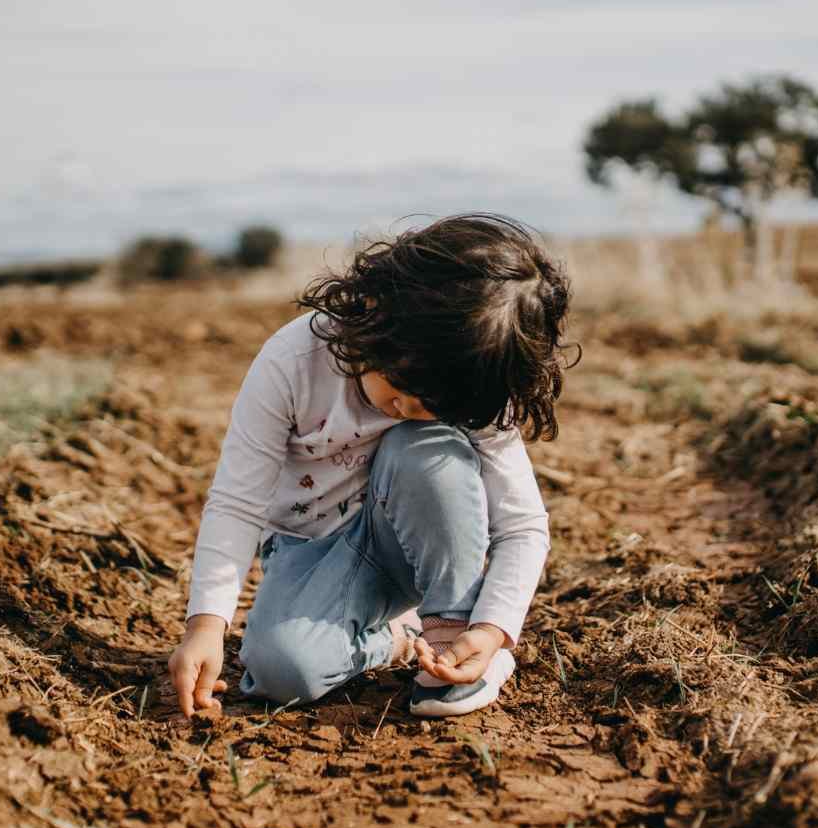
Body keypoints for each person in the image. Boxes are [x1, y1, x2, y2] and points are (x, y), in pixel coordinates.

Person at [166, 213, 575, 719]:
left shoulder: (475, 378)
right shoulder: (292, 361)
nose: (412, 408)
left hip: (414, 546)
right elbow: (237, 500)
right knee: (279, 672)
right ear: (376, 314)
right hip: (308, 550)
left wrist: (490, 631)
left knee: (424, 447)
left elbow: (523, 526)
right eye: (403, 389)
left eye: (437, 406)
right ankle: (398, 638)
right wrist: (206, 625)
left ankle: (451, 634)